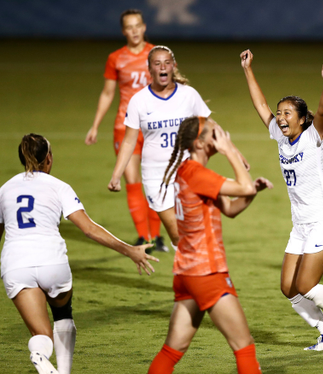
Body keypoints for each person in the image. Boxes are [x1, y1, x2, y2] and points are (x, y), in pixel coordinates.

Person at [240, 49, 323, 352]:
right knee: (289, 288)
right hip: (300, 224)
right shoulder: (281, 136)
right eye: (280, 112)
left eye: (288, 113)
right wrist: (248, 69)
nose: (281, 117)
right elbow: (260, 105)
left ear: (301, 119)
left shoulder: (314, 136)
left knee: (306, 286)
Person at [0, 134, 158, 374]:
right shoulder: (59, 187)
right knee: (62, 313)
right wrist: (129, 250)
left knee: (41, 334)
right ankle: (63, 372)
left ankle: (39, 355)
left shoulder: (4, 190)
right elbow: (89, 229)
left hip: (16, 265)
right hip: (51, 261)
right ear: (49, 159)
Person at [147, 116, 271, 373]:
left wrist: (252, 193)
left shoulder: (187, 171)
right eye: (214, 134)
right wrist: (230, 151)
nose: (220, 137)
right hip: (208, 273)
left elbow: (231, 208)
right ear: (199, 143)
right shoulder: (197, 173)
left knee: (172, 350)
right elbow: (244, 186)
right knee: (244, 345)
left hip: (187, 273)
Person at [108, 45, 212, 250]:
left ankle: (193, 276)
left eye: (167, 62)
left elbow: (209, 126)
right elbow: (129, 141)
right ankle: (189, 270)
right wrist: (116, 175)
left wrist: (232, 153)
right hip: (156, 175)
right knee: (176, 234)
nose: (162, 67)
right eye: (157, 63)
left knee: (192, 230)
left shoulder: (188, 94)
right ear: (150, 68)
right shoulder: (139, 100)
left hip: (186, 170)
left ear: (174, 66)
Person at [85, 9, 167, 252]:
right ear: (124, 31)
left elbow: (169, 89)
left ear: (143, 27)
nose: (134, 30)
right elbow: (108, 93)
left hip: (154, 129)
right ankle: (145, 238)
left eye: (137, 25)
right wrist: (95, 125)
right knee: (132, 182)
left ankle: (158, 237)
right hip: (125, 127)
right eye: (129, 27)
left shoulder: (156, 55)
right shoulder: (115, 58)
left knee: (155, 182)